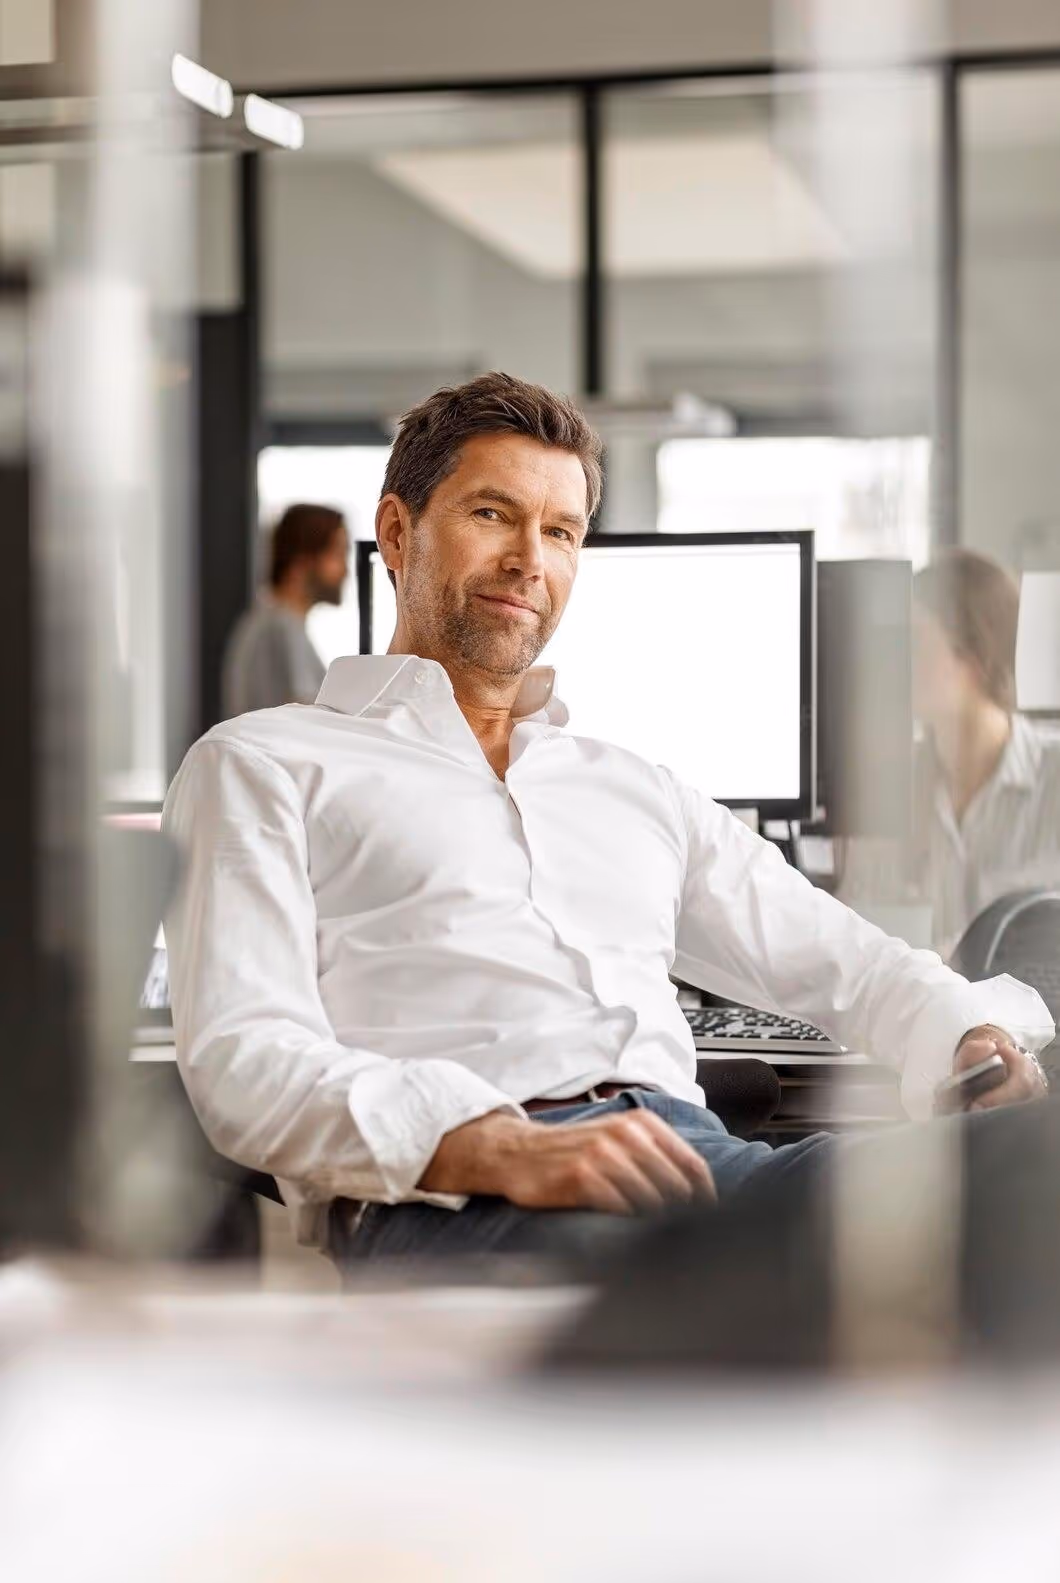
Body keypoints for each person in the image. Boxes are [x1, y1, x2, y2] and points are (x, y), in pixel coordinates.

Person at [163, 373, 1053, 1272]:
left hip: (707, 1177)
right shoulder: (264, 764)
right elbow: (246, 1058)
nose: (529, 560)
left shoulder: (633, 789)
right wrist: (502, 1146)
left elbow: (854, 965)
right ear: (397, 532)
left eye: (561, 532)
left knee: (1034, 1163)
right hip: (474, 1195)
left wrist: (965, 1038)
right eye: (491, 515)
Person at [910, 549, 1060, 957]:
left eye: (916, 641)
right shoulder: (900, 786)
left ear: (974, 654)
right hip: (935, 1016)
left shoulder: (1054, 779)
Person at [220, 503, 349, 719]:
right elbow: (307, 721)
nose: (345, 570)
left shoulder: (276, 624)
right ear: (303, 560)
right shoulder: (278, 629)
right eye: (337, 554)